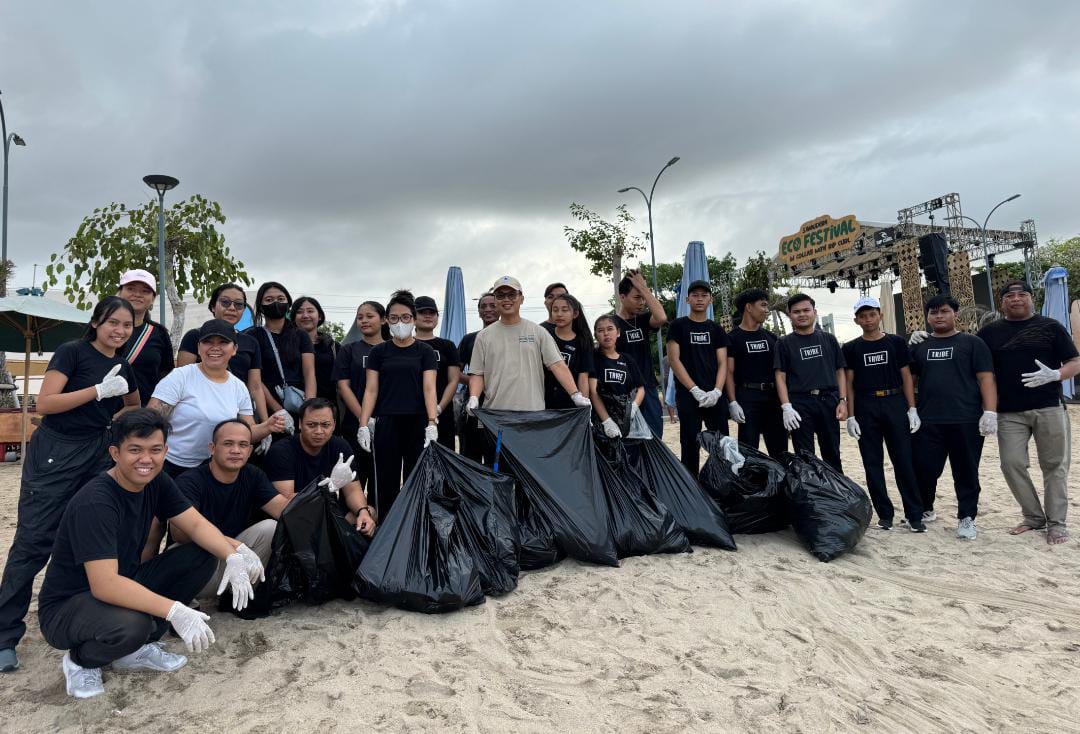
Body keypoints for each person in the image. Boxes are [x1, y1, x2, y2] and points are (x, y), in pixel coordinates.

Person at [35, 409, 262, 699]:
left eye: (155, 450)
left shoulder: (156, 481)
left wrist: (233, 555)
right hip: (69, 606)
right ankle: (81, 661)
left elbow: (194, 523)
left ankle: (134, 649)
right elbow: (105, 584)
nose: (146, 459)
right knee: (134, 624)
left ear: (166, 450)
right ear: (115, 453)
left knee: (202, 554)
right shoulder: (96, 502)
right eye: (135, 450)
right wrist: (174, 609)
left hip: (126, 578)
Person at [0, 297, 140, 673]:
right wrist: (97, 391)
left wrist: (115, 420)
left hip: (96, 452)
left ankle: (94, 618)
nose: (120, 330)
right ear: (96, 322)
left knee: (95, 536)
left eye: (127, 325)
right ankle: (4, 634)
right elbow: (45, 403)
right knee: (33, 541)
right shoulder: (72, 352)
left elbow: (133, 404)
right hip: (55, 453)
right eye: (113, 322)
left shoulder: (123, 363)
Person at [977, 280, 1080, 544]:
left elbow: (1075, 362)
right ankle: (1033, 516)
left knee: (1054, 466)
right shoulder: (989, 333)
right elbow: (970, 356)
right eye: (1009, 295)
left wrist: (1056, 374)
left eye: (1022, 294)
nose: (1016, 298)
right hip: (1009, 411)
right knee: (1011, 464)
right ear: (1002, 303)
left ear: (1031, 298)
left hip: (1048, 406)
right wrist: (925, 338)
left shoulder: (1051, 327)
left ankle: (1056, 523)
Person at [909, 295, 997, 540]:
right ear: (927, 317)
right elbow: (910, 380)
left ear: (955, 314)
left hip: (966, 419)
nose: (939, 316)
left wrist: (990, 411)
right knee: (924, 469)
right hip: (928, 420)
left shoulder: (972, 344)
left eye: (944, 311)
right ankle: (926, 508)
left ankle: (966, 518)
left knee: (966, 472)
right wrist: (911, 409)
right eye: (934, 312)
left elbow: (985, 378)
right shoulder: (920, 346)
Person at [148, 320, 285, 477]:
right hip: (170, 465)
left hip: (212, 469)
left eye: (223, 342)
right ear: (199, 348)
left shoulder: (239, 387)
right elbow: (152, 420)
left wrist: (267, 426)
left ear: (234, 349)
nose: (215, 347)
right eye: (207, 342)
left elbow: (247, 432)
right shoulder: (180, 377)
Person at [842, 297, 925, 532]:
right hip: (867, 404)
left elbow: (907, 376)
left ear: (879, 315)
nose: (868, 319)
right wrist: (851, 415)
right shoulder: (851, 348)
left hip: (894, 401)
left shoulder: (896, 343)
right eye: (862, 316)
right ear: (856, 320)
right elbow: (849, 382)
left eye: (872, 314)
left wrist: (912, 408)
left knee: (904, 461)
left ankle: (914, 515)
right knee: (872, 463)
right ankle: (885, 515)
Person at [357, 290, 439, 520]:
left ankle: (415, 527)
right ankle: (385, 529)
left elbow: (429, 388)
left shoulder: (425, 351)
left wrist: (432, 421)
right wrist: (363, 423)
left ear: (413, 319)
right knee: (386, 481)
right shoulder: (379, 352)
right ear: (386, 320)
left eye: (404, 317)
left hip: (417, 421)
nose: (399, 322)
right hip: (387, 421)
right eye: (394, 318)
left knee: (417, 479)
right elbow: (371, 389)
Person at [467, 276, 591, 417]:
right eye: (500, 295)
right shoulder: (484, 336)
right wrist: (474, 397)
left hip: (533, 414)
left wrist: (575, 395)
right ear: (495, 300)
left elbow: (557, 365)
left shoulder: (537, 332)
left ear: (521, 299)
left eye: (512, 295)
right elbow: (477, 373)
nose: (506, 299)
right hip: (495, 414)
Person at [178, 283, 269, 426]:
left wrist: (264, 424)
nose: (232, 308)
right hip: (202, 412)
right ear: (213, 306)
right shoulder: (195, 336)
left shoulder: (251, 342)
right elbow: (182, 380)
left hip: (240, 412)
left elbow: (255, 386)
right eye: (225, 302)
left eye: (239, 304)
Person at [774, 294, 847, 472]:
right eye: (796, 311)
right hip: (799, 404)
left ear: (814, 312)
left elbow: (840, 372)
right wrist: (786, 407)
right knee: (805, 456)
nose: (802, 314)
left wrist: (843, 400)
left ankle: (838, 497)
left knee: (832, 453)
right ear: (790, 315)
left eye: (806, 310)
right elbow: (780, 377)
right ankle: (811, 497)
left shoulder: (829, 339)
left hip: (828, 401)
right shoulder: (783, 343)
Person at [666, 280, 731, 477]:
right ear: (687, 300)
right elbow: (674, 360)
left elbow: (723, 363)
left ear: (710, 300)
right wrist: (694, 389)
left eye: (704, 295)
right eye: (695, 295)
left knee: (721, 444)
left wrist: (718, 391)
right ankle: (691, 490)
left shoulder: (716, 329)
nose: (700, 298)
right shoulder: (678, 326)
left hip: (714, 395)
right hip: (688, 396)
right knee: (689, 444)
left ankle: (720, 486)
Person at [725, 288, 786, 458]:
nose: (767, 310)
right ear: (748, 307)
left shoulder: (772, 338)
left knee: (780, 450)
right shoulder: (732, 338)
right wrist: (733, 402)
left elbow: (780, 372)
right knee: (748, 451)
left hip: (773, 398)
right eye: (763, 305)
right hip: (747, 398)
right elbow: (729, 373)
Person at [334, 301, 386, 489]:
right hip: (354, 425)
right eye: (360, 317)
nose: (363, 321)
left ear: (384, 319)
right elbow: (343, 386)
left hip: (386, 424)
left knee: (382, 483)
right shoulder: (349, 349)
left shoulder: (391, 349)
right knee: (353, 480)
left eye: (369, 316)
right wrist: (363, 419)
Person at [247, 282, 316, 417]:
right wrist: (278, 410)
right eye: (269, 300)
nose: (275, 303)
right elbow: (255, 380)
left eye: (280, 299)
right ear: (260, 306)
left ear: (288, 304)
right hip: (265, 406)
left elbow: (309, 373)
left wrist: (309, 408)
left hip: (299, 403)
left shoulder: (301, 335)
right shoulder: (252, 336)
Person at [613, 269, 668, 437]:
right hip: (622, 392)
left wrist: (643, 288)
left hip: (648, 387)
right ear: (622, 297)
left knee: (655, 438)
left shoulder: (643, 320)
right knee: (627, 442)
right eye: (637, 297)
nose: (642, 302)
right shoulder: (611, 324)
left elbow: (661, 318)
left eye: (644, 297)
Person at [117, 269, 174, 406]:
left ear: (153, 299)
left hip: (142, 414)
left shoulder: (159, 333)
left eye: (145, 291)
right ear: (119, 293)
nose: (137, 295)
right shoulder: (102, 328)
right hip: (99, 413)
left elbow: (166, 374)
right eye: (130, 288)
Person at [414, 295, 461, 449]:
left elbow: (453, 380)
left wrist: (439, 407)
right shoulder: (404, 345)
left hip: (442, 414)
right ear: (413, 317)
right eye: (422, 312)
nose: (428, 315)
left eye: (432, 312)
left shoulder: (447, 346)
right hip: (412, 413)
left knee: (444, 461)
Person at [458, 292, 498, 464]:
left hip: (502, 408)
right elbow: (455, 373)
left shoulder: (512, 336)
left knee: (496, 459)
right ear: (479, 311)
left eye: (492, 305)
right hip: (473, 407)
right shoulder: (469, 339)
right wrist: (476, 383)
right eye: (483, 306)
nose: (488, 309)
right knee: (470, 457)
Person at [590, 315, 645, 437]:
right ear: (596, 335)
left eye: (610, 329)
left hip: (626, 418)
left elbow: (640, 388)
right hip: (601, 419)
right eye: (600, 330)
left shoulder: (628, 359)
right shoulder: (593, 358)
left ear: (618, 332)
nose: (606, 334)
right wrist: (606, 421)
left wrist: (633, 408)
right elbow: (593, 392)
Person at [545, 293, 594, 409]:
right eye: (555, 310)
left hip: (569, 405)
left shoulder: (582, 342)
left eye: (565, 310)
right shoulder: (545, 335)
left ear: (575, 313)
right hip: (543, 403)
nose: (559, 314)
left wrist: (584, 409)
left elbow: (583, 377)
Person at [291, 296, 340, 404]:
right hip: (294, 405)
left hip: (328, 406)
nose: (305, 315)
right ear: (293, 318)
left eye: (310, 311)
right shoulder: (286, 346)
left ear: (320, 317)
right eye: (299, 312)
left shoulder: (333, 347)